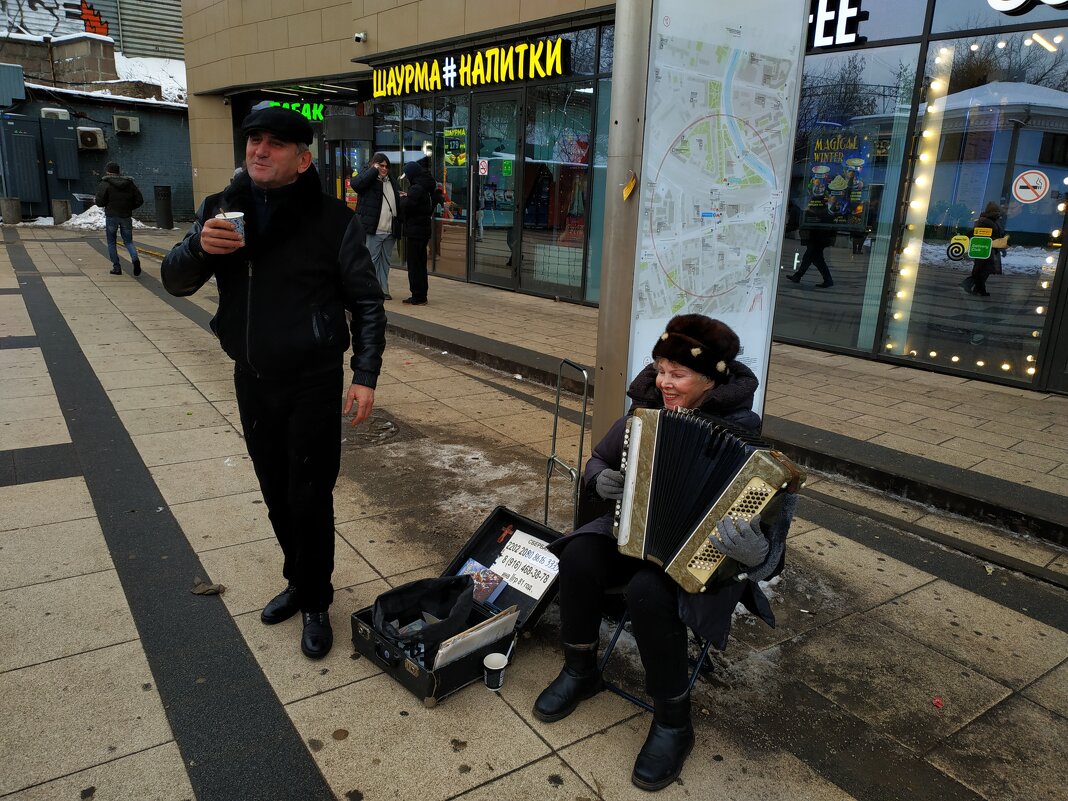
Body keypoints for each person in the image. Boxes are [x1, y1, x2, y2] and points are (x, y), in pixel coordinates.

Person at [161, 106, 386, 660]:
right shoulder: (222, 209)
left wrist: (364, 374)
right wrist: (197, 249)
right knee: (274, 492)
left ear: (303, 158)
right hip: (252, 375)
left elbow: (366, 302)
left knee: (309, 495)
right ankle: (297, 578)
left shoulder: (333, 219)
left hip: (312, 379)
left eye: (275, 144)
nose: (259, 150)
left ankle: (314, 599)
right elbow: (174, 280)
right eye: (253, 140)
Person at [533, 315, 793, 792]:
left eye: (677, 374)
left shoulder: (748, 444)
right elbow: (598, 458)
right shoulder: (644, 414)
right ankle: (581, 668)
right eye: (659, 369)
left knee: (648, 590)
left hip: (704, 566)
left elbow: (774, 552)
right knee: (579, 557)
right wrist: (597, 478)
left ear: (711, 380)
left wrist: (756, 552)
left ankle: (674, 721)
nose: (663, 382)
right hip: (636, 537)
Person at [352, 153, 401, 301]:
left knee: (385, 262)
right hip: (373, 228)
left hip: (390, 228)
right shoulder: (368, 179)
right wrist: (373, 171)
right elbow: (356, 184)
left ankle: (383, 289)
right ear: (374, 164)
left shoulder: (390, 181)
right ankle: (369, 289)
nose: (384, 169)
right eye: (381, 165)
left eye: (386, 166)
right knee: (371, 261)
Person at [95, 161, 144, 276]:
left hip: (112, 216)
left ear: (108, 171)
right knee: (128, 241)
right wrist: (129, 207)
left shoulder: (105, 183)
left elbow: (99, 202)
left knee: (111, 242)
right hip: (126, 216)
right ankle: (135, 259)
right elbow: (139, 200)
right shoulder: (129, 184)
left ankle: (116, 268)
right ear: (119, 171)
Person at [399, 161, 434, 305]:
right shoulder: (424, 186)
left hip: (415, 231)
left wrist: (403, 199)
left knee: (414, 265)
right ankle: (421, 294)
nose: (406, 178)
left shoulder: (417, 188)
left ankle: (417, 296)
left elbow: (407, 207)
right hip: (422, 231)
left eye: (407, 175)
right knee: (421, 263)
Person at [963, 201, 1006, 297]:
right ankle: (976, 288)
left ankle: (975, 288)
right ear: (992, 211)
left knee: (983, 270)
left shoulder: (994, 221)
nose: (998, 213)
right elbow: (977, 233)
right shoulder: (985, 221)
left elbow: (1000, 235)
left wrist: (1002, 248)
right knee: (983, 270)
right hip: (984, 249)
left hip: (991, 249)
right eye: (996, 211)